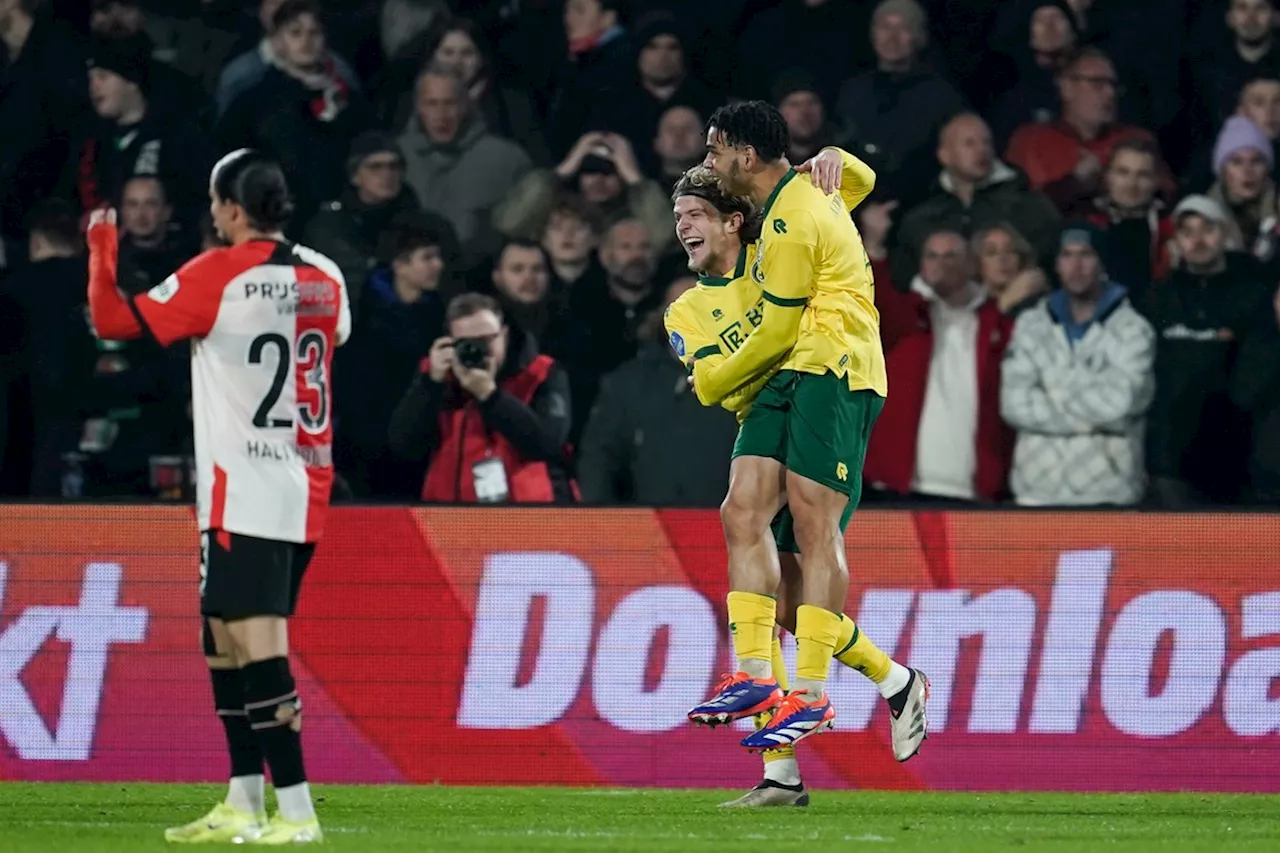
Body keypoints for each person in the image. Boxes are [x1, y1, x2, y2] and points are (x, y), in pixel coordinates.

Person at [85, 149, 350, 844]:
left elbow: (114, 319)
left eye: (214, 202)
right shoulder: (326, 275)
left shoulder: (219, 273)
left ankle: (296, 814)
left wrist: (102, 248)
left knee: (258, 643)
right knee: (221, 640)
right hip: (302, 481)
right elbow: (331, 339)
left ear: (231, 209)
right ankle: (243, 798)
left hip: (246, 484)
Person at [665, 161, 924, 807]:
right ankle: (880, 690)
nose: (683, 229)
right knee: (778, 594)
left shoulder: (772, 261)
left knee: (804, 560)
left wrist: (837, 157)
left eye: (694, 215)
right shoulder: (687, 310)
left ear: (732, 220)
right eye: (678, 220)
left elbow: (846, 197)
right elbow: (708, 387)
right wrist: (771, 347)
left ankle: (804, 730)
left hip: (816, 402)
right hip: (764, 418)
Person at [388, 292, 573, 503]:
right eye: (466, 343)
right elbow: (404, 445)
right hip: (447, 520)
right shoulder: (438, 376)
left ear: (505, 334)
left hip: (527, 519)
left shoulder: (540, 373)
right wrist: (430, 384)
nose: (478, 350)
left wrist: (490, 396)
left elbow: (547, 444)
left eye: (486, 340)